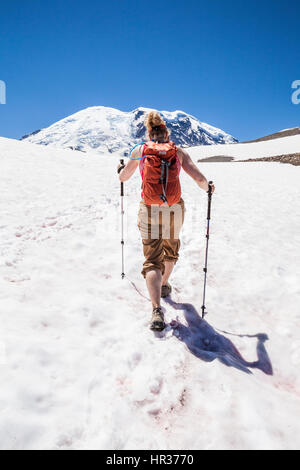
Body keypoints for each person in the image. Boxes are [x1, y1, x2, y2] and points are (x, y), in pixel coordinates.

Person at [118, 111, 215, 331]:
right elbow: (199, 179)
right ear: (166, 131)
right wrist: (208, 188)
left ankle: (156, 309)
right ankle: (163, 284)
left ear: (149, 132)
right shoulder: (177, 152)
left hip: (149, 209)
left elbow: (124, 177)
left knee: (152, 259)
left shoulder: (140, 150)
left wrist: (119, 172)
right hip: (174, 209)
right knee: (170, 249)